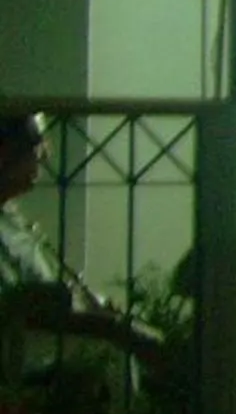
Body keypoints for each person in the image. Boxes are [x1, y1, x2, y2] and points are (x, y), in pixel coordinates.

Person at [0, 113, 165, 381]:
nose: (44, 155)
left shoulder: (14, 219)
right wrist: (102, 324)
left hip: (42, 330)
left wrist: (91, 307)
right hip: (19, 341)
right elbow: (16, 303)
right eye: (35, 146)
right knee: (114, 353)